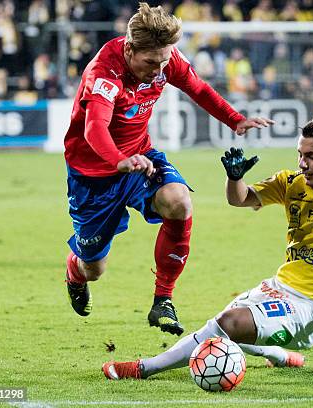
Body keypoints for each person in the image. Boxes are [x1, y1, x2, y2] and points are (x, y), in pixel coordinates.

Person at [101, 115, 313, 380]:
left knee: (227, 322)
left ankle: (144, 368)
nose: (303, 164)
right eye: (300, 155)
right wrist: (234, 176)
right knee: (222, 325)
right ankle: (282, 356)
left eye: (311, 156)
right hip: (278, 287)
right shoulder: (291, 183)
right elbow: (239, 200)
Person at [63, 2, 273, 335]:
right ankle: (75, 271)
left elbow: (198, 88)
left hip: (141, 158)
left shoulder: (165, 59)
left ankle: (163, 299)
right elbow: (94, 129)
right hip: (95, 176)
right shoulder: (105, 72)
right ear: (130, 50)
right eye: (150, 63)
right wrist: (118, 160)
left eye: (163, 62)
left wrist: (235, 119)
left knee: (180, 202)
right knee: (94, 268)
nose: (159, 71)